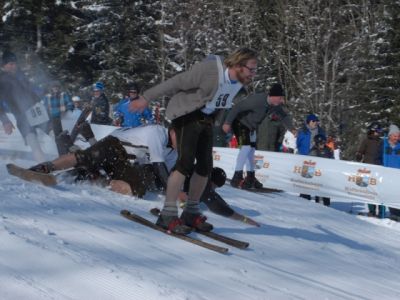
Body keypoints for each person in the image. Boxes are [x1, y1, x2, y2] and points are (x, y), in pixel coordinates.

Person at [130, 47, 258, 234]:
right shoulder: (210, 71)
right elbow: (176, 82)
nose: (253, 74)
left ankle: (191, 212)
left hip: (205, 120)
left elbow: (221, 100)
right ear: (238, 65)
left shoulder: (239, 82)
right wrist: (146, 98)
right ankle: (167, 214)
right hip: (186, 114)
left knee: (205, 167)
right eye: (251, 69)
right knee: (185, 163)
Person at [28, 124, 175, 198]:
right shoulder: (158, 132)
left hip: (124, 161)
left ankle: (98, 179)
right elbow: (159, 165)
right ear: (173, 131)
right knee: (84, 157)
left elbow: (164, 175)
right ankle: (44, 168)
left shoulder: (174, 151)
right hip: (114, 144)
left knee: (137, 189)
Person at [223, 83, 296, 189]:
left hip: (251, 127)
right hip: (240, 123)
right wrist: (227, 122)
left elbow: (284, 116)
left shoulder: (274, 106)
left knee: (251, 151)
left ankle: (250, 177)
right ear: (273, 96)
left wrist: (292, 128)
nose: (281, 101)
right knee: (246, 147)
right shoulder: (257, 100)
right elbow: (237, 107)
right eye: (280, 98)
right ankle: (237, 176)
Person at [0, 50, 48, 162]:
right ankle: (44, 166)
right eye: (10, 64)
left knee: (52, 131)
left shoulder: (21, 75)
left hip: (36, 110)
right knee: (32, 140)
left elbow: (32, 90)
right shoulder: (1, 80)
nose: (14, 66)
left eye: (15, 63)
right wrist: (5, 120)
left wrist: (42, 93)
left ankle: (69, 158)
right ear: (4, 65)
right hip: (21, 115)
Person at [179, 167, 260, 226]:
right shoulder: (206, 189)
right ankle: (188, 217)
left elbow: (215, 196)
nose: (214, 189)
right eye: (215, 187)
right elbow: (221, 209)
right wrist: (245, 219)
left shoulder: (201, 171)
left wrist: (224, 204)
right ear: (213, 183)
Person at [355, 122, 384, 216]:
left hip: (378, 168)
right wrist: (359, 156)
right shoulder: (366, 141)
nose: (379, 133)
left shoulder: (381, 141)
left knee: (378, 190)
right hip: (367, 168)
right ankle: (371, 210)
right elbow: (360, 151)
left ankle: (381, 211)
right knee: (369, 190)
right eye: (377, 131)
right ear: (373, 131)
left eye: (380, 131)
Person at [42, 81, 74, 154]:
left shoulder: (63, 95)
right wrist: (57, 110)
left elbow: (70, 104)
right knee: (58, 138)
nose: (55, 88)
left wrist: (61, 109)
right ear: (51, 88)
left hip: (63, 119)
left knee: (66, 136)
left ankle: (71, 152)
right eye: (54, 87)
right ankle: (62, 154)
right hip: (52, 121)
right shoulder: (47, 97)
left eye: (57, 87)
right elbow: (44, 108)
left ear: (59, 88)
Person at [257, 83, 289, 151]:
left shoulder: (279, 114)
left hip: (272, 149)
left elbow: (282, 130)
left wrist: (279, 143)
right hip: (259, 148)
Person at [308, 134, 334, 206]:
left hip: (326, 174)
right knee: (318, 190)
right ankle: (318, 204)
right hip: (317, 174)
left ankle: (327, 204)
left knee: (326, 190)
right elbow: (311, 161)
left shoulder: (328, 150)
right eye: (320, 143)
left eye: (323, 143)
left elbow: (332, 161)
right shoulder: (313, 151)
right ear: (317, 143)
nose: (322, 145)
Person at [382, 124, 400, 219]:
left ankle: (396, 214)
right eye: (395, 136)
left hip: (397, 174)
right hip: (386, 174)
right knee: (389, 194)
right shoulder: (383, 145)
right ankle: (393, 213)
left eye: (398, 136)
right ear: (390, 135)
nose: (397, 138)